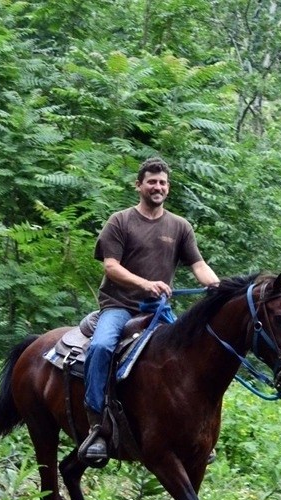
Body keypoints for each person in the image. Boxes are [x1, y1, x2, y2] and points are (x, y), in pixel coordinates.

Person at [80, 157, 219, 464]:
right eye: (152, 182)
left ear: (168, 188)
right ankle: (97, 426)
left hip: (158, 310)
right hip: (119, 307)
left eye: (163, 183)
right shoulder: (120, 221)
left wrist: (216, 286)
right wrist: (145, 283)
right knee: (101, 347)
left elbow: (199, 265)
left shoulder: (179, 226)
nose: (158, 187)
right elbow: (111, 267)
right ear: (139, 185)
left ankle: (196, 430)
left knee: (194, 355)